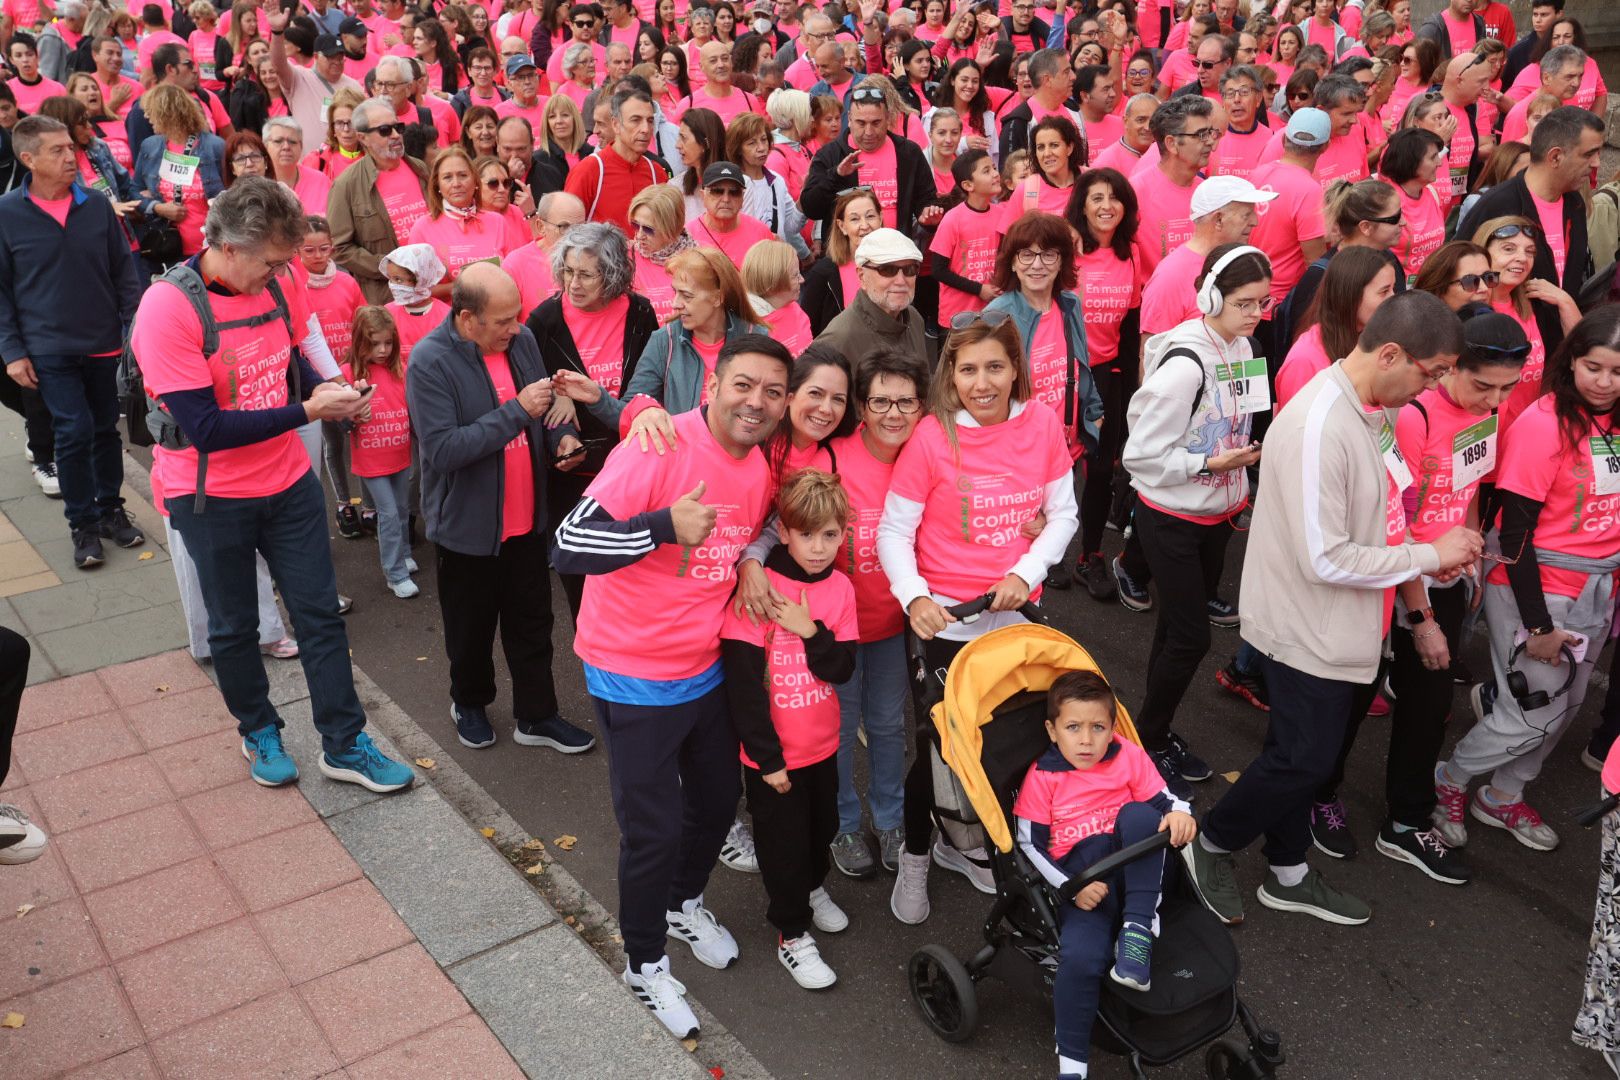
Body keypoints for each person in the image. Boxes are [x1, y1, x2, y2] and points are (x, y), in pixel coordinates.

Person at [1183, 290, 1481, 929]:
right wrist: (1430, 555)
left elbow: (1386, 516)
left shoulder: (1373, 409)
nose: (1433, 387)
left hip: (1342, 624)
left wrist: (1418, 598)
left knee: (1299, 754)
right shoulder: (1322, 425)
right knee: (1304, 760)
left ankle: (1288, 871)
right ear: (1391, 353)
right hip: (1306, 626)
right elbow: (1326, 558)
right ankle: (1207, 843)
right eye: (1430, 373)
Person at [130, 177, 416, 793]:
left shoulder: (278, 279)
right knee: (234, 627)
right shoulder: (167, 308)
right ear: (229, 247)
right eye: (272, 263)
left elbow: (291, 357)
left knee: (319, 616)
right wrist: (310, 410)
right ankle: (259, 729)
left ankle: (345, 743)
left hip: (287, 483)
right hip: (209, 496)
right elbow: (206, 429)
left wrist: (329, 386)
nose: (283, 274)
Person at [551, 333, 792, 1038]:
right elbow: (568, 542)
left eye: (773, 392)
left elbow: (759, 528)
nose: (756, 402)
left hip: (705, 664)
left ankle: (681, 904)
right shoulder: (657, 445)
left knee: (717, 802)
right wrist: (661, 526)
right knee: (651, 830)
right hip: (631, 672)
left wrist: (751, 559)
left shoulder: (758, 462)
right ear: (711, 385)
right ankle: (643, 963)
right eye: (743, 384)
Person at [876, 312, 1080, 924]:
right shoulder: (933, 436)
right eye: (968, 370)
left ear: (1016, 369)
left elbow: (1063, 514)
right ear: (951, 374)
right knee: (939, 750)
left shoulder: (1041, 423)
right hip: (947, 623)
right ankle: (919, 855)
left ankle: (980, 843)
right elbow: (894, 530)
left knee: (1011, 742)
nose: (982, 383)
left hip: (1016, 618)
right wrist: (915, 598)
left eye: (995, 367)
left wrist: (1025, 571)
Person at [1434, 306, 1620, 855]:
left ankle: (1503, 794)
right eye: (1593, 367)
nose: (1604, 382)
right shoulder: (1543, 424)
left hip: (1596, 587)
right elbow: (1514, 536)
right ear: (1571, 360)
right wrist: (1538, 624)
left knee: (1567, 703)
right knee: (1533, 713)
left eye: (1618, 371)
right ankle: (1449, 779)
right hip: (1538, 585)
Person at [406, 261, 591, 752]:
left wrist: (561, 438)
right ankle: (468, 702)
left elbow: (544, 409)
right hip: (466, 528)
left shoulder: (521, 341)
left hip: (527, 520)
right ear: (467, 319)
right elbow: (443, 451)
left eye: (517, 316)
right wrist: (517, 411)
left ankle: (537, 716)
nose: (516, 327)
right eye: (504, 320)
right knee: (470, 629)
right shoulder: (429, 361)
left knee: (533, 625)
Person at [1374, 308, 1529, 886]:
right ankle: (1355, 810)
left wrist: (1469, 554)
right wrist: (1421, 618)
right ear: (1450, 367)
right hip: (1401, 580)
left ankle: (1406, 817)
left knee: (1428, 706)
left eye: (1507, 389)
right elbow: (1398, 526)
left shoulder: (1485, 413)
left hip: (1447, 577)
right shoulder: (1413, 416)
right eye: (1483, 385)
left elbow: (1468, 487)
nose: (1495, 401)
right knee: (1377, 698)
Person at [1123, 244, 1270, 801]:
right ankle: (1151, 736)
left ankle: (1148, 730)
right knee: (1190, 637)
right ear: (1210, 297)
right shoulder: (1185, 366)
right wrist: (1209, 464)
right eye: (1244, 302)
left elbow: (1241, 417)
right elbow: (1139, 456)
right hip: (1171, 517)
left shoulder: (1246, 347)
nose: (1256, 314)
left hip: (1216, 516)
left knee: (1175, 630)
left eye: (1263, 302)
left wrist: (1241, 465)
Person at [1015, 669, 1196, 1080]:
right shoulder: (1043, 778)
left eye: (1098, 727)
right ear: (1052, 730)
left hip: (1138, 870)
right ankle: (1073, 1064)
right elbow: (1029, 846)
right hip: (1086, 885)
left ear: (1113, 727)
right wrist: (1070, 888)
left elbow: (1167, 800)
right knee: (1079, 958)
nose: (1086, 740)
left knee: (1140, 814)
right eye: (1073, 727)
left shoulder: (1126, 755)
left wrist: (1180, 815)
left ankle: (1136, 932)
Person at [721, 467, 858, 990]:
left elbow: (841, 668)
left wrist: (810, 631)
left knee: (822, 829)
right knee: (782, 845)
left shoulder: (840, 589)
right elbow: (742, 683)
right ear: (783, 531)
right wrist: (767, 758)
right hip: (774, 757)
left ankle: (812, 887)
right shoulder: (760, 589)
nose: (818, 548)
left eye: (830, 535)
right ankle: (792, 932)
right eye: (806, 534)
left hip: (822, 745)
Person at [0, 114, 144, 571]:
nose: (70, 156)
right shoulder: (6, 214)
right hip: (47, 346)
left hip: (104, 341)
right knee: (73, 430)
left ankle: (111, 510)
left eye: (70, 147)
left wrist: (135, 329)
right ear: (29, 159)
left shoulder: (97, 205)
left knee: (105, 429)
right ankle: (82, 524)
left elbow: (124, 273)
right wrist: (12, 351)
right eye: (58, 150)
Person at [524, 220, 658, 617]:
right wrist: (559, 409)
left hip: (630, 463)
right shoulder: (544, 320)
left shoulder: (639, 312)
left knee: (633, 578)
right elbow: (529, 387)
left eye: (586, 274)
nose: (573, 284)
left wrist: (576, 396)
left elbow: (651, 384)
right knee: (581, 585)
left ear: (613, 274)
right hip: (573, 473)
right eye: (568, 271)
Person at [984, 209, 1104, 565]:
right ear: (1013, 262)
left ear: (1062, 260)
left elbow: (1082, 365)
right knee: (1021, 544)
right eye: (1026, 254)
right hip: (1020, 452)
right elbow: (983, 393)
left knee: (1054, 529)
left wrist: (1094, 412)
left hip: (1065, 446)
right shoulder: (998, 316)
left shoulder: (1069, 305)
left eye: (1049, 254)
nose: (1037, 264)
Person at [553, 246, 764, 430]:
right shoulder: (665, 341)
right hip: (684, 459)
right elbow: (631, 413)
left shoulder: (756, 338)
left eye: (687, 296)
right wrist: (598, 398)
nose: (675, 304)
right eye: (675, 293)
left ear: (718, 298)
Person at [1458, 106, 1603, 359]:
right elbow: (1458, 283)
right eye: (1589, 154)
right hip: (1505, 360)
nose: (1596, 164)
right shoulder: (1497, 205)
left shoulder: (1575, 204)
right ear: (1555, 157)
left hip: (1556, 357)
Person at [1473, 215, 1582, 443]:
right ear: (1482, 254)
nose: (1522, 258)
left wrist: (1565, 301)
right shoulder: (1471, 308)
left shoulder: (1536, 304)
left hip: (1528, 436)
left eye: (1530, 251)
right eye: (1509, 249)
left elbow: (1584, 352)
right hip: (1484, 440)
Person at [340, 306, 419, 596]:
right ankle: (395, 574)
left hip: (400, 453)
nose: (383, 350)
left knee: (401, 509)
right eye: (374, 344)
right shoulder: (347, 374)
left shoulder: (400, 370)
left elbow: (412, 409)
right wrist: (352, 417)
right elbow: (337, 417)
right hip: (372, 461)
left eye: (388, 342)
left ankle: (404, 554)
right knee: (388, 513)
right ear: (360, 342)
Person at [800, 83, 937, 240]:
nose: (869, 132)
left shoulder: (908, 152)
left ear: (888, 118)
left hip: (895, 249)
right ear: (849, 119)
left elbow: (926, 199)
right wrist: (836, 175)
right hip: (847, 252)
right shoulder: (830, 155)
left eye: (876, 123)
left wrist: (928, 217)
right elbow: (811, 208)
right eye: (861, 123)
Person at [328, 95, 431, 304]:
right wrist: (387, 267)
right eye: (385, 130)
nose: (395, 135)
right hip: (388, 297)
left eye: (398, 127)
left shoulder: (419, 168)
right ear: (362, 137)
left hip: (432, 287)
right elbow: (339, 247)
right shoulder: (346, 185)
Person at [1276, 246, 1401, 408]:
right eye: (1384, 291)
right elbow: (1298, 421)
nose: (1393, 299)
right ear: (1351, 295)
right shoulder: (1305, 361)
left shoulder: (1378, 342)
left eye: (1393, 289)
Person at [133, 84, 227, 269]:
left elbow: (231, 194)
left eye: (151, 112)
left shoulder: (215, 146)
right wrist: (157, 207)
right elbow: (133, 190)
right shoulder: (149, 146)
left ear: (167, 113)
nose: (146, 117)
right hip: (168, 248)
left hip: (212, 246)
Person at [816, 228, 929, 374]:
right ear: (862, 276)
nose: (901, 281)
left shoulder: (914, 319)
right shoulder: (838, 340)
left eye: (910, 269)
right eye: (887, 270)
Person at [406, 145, 525, 283]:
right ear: (437, 185)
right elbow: (414, 286)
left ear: (475, 181)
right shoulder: (422, 228)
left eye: (463, 175)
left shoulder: (497, 221)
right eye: (447, 177)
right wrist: (464, 286)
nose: (456, 183)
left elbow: (515, 275)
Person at [564, 86, 668, 229]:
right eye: (636, 120)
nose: (645, 129)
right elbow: (565, 230)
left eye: (650, 121)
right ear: (616, 124)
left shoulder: (657, 173)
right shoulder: (589, 170)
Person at [1136, 95, 1213, 276]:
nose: (1210, 141)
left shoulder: (1208, 192)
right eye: (1201, 135)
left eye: (1210, 133)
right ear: (1171, 143)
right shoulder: (1136, 192)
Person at [800, 186, 882, 336]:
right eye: (855, 219)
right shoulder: (822, 273)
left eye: (870, 216)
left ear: (880, 219)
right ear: (842, 226)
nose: (865, 225)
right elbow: (808, 331)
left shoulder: (896, 263)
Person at [686, 159, 773, 266]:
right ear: (703, 196)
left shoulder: (761, 234)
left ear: (742, 198)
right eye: (717, 191)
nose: (726, 199)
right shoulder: (687, 237)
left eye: (734, 192)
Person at [625, 182, 690, 324]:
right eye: (635, 225)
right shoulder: (624, 257)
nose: (639, 235)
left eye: (648, 229)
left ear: (672, 227)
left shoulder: (697, 258)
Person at [743, 239, 812, 357]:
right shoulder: (750, 329)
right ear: (773, 284)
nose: (802, 280)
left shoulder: (793, 306)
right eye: (795, 275)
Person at [304, 87, 366, 181]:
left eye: (351, 122)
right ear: (332, 128)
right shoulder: (317, 161)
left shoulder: (376, 160)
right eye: (339, 123)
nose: (346, 129)